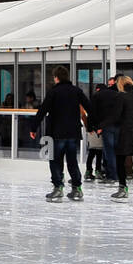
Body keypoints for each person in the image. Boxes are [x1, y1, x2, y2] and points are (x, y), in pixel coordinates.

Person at [31, 66, 91, 202]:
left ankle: (58, 187)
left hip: (56, 133)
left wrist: (33, 128)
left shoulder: (53, 92)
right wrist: (93, 125)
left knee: (55, 161)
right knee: (72, 161)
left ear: (56, 78)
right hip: (73, 133)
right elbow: (89, 108)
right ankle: (77, 189)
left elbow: (42, 110)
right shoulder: (76, 91)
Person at [91, 77, 123, 182]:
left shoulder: (97, 96)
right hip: (118, 125)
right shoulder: (117, 95)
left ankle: (112, 176)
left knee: (109, 152)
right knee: (116, 151)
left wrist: (96, 127)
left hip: (106, 126)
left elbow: (93, 113)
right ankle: (118, 174)